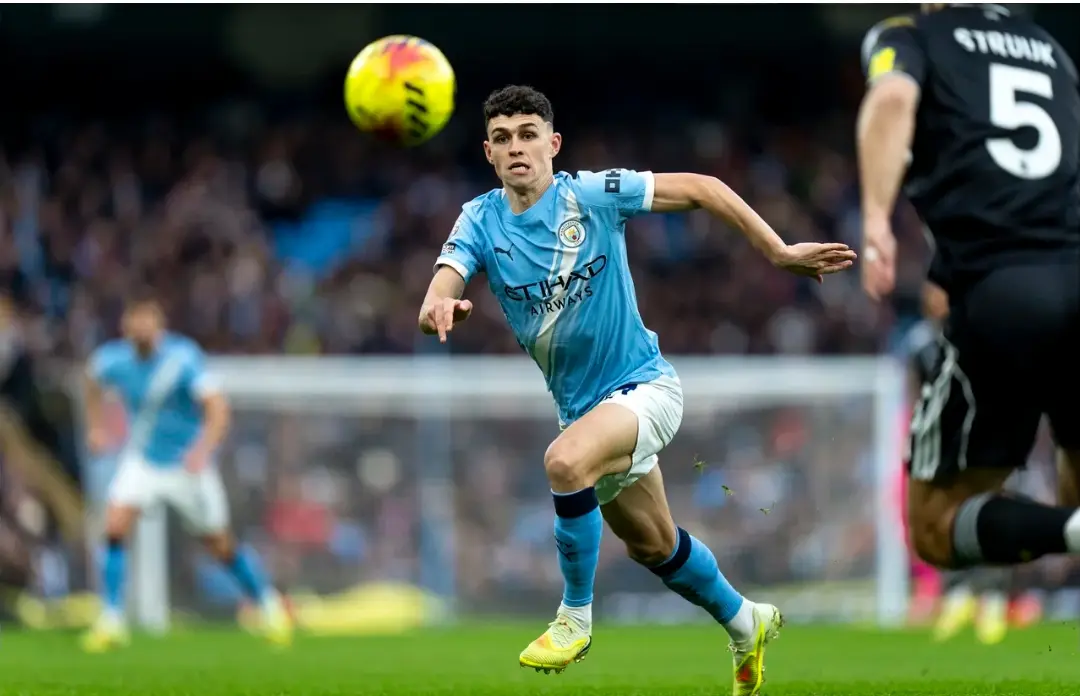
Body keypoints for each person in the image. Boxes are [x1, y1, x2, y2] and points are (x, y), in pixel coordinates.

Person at [419, 85, 856, 696]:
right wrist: (440, 310)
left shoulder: (592, 195)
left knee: (564, 461)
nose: (516, 147)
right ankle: (745, 621)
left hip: (645, 387)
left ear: (553, 143)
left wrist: (778, 251)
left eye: (527, 134)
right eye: (502, 138)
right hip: (585, 408)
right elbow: (438, 290)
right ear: (488, 152)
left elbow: (703, 188)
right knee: (654, 547)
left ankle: (574, 616)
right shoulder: (479, 219)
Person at [857, 5, 1080, 576]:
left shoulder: (911, 36)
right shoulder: (1050, 49)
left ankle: (1070, 530)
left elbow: (892, 100)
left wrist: (877, 219)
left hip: (1004, 292)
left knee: (933, 522)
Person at [80, 291, 292, 652]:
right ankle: (111, 619)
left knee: (220, 545)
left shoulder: (182, 359)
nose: (140, 327)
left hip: (186, 466)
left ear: (159, 325)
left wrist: (202, 450)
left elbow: (217, 408)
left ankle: (270, 607)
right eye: (134, 320)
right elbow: (91, 380)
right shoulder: (114, 359)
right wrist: (96, 427)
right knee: (114, 526)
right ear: (125, 325)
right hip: (143, 461)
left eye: (147, 320)